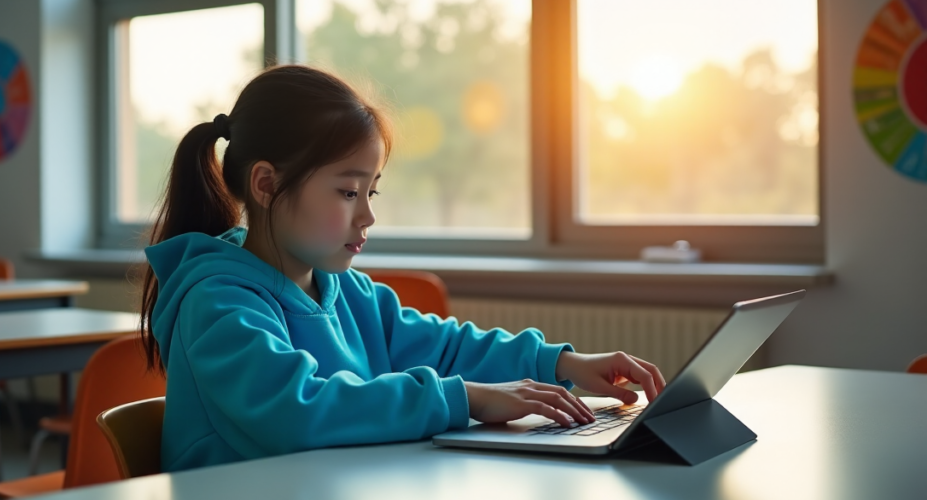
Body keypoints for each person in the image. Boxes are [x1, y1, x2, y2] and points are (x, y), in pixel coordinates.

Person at [139, 65, 666, 472]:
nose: (367, 215)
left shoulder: (349, 292)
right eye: (347, 192)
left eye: (371, 191)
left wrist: (562, 364)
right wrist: (465, 398)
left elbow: (449, 347)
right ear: (266, 184)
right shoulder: (217, 302)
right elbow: (297, 411)